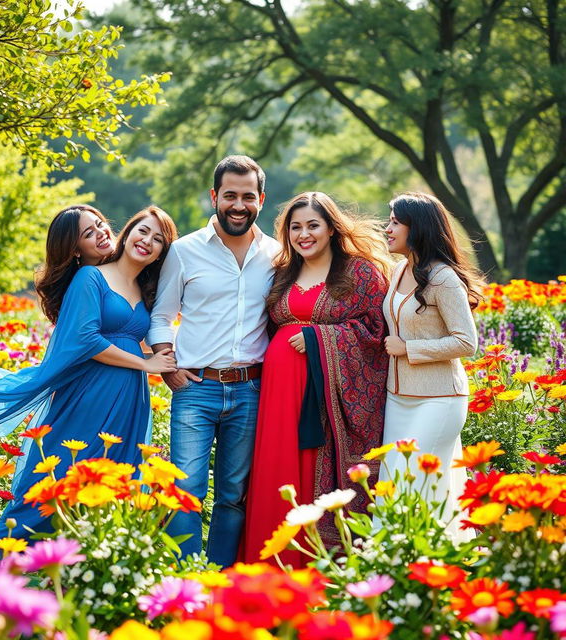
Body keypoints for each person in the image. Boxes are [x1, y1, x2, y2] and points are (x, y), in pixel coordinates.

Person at [0, 205, 178, 541]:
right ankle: (6, 550)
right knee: (61, 468)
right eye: (89, 233)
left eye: (101, 224)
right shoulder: (90, 277)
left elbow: (142, 332)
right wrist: (146, 363)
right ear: (76, 249)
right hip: (90, 392)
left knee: (114, 476)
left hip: (131, 397)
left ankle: (82, 559)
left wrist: (159, 356)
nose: (102, 232)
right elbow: (86, 339)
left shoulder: (145, 285)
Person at [242, 192, 392, 567]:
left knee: (310, 474)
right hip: (278, 392)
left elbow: (376, 331)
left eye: (313, 225)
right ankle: (269, 569)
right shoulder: (283, 272)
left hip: (326, 397)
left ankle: (315, 569)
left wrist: (318, 338)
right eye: (295, 227)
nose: (303, 234)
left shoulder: (358, 273)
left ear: (331, 228)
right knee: (276, 473)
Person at [147, 155, 280, 568]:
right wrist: (166, 363)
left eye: (247, 196)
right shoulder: (184, 251)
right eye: (229, 196)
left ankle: (219, 574)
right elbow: (161, 315)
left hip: (252, 389)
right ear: (214, 197)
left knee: (234, 492)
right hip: (196, 389)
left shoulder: (277, 255)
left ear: (261, 198)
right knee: (185, 487)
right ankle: (183, 576)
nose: (238, 205)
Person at [380, 192, 482, 537]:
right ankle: (398, 569)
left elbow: (467, 342)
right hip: (397, 398)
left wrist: (409, 348)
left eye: (395, 222)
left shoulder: (444, 279)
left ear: (417, 227)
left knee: (416, 489)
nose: (388, 228)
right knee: (393, 484)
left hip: (439, 400)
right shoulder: (398, 270)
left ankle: (428, 570)